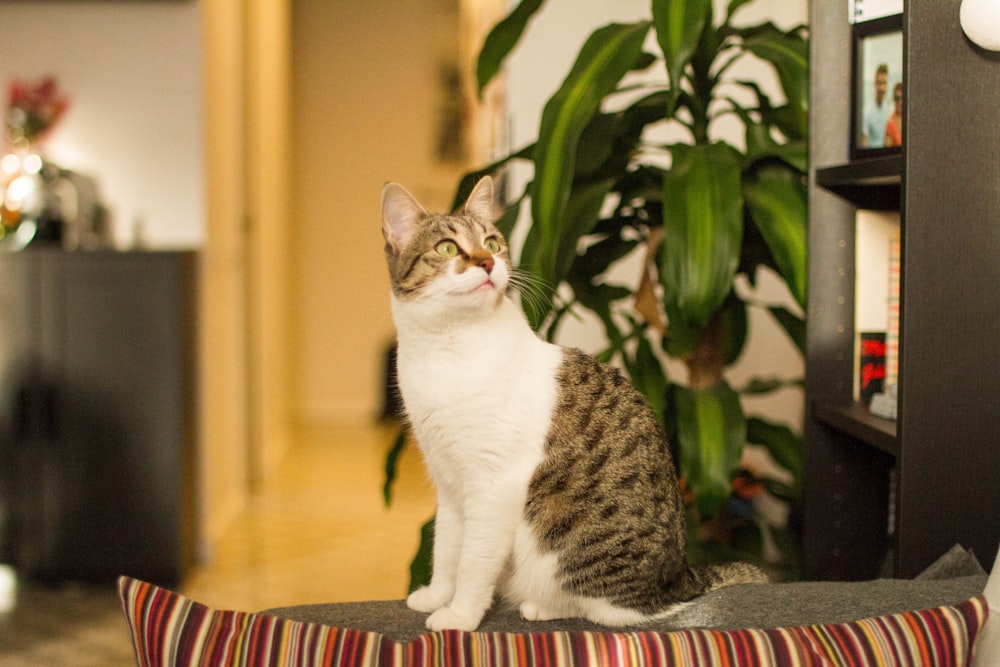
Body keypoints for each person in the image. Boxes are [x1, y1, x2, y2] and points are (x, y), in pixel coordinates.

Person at [861, 63, 891, 148]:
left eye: (884, 83)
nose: (881, 88)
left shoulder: (889, 110)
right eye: (879, 83)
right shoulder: (867, 112)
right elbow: (864, 144)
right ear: (875, 84)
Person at [884, 82, 903, 147]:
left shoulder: (910, 120)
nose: (899, 102)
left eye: (902, 98)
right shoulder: (890, 123)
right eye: (897, 98)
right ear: (893, 99)